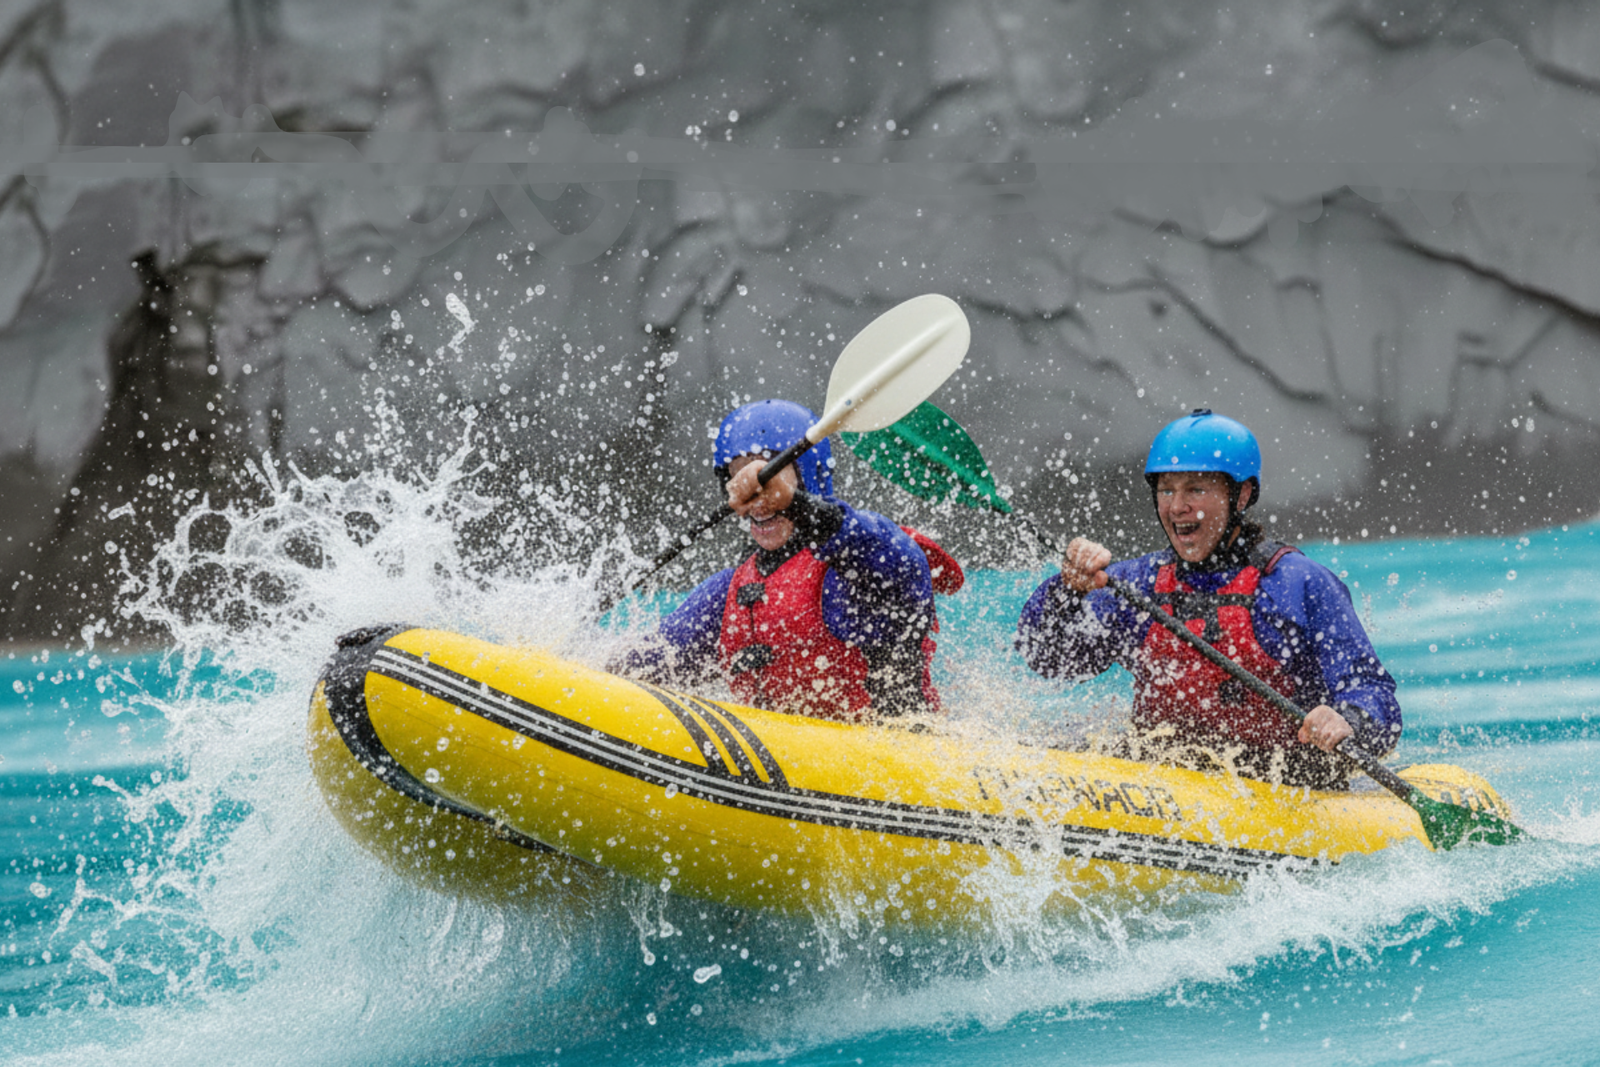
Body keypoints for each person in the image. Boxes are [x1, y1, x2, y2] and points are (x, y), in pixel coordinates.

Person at [1015, 409, 1401, 789]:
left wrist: (1348, 720)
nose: (1176, 506)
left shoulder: (1298, 584)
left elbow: (1373, 692)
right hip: (1166, 783)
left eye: (1195, 489)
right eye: (1167, 490)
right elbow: (1047, 658)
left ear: (1241, 495)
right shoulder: (1137, 584)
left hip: (1284, 786)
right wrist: (1066, 591)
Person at [615, 399, 963, 722]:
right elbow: (636, 671)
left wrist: (793, 502)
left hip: (891, 755)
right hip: (783, 759)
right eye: (740, 478)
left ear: (808, 475)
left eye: (767, 475)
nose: (757, 495)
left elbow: (898, 559)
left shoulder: (855, 564)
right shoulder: (727, 593)